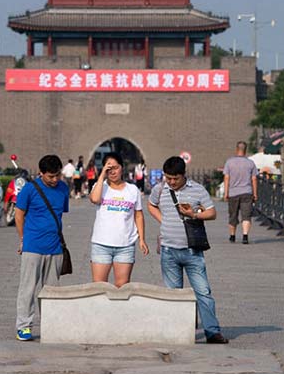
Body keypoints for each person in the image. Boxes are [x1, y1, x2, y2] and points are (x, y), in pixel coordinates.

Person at [148, 156, 228, 344]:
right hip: (169, 250)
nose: (171, 182)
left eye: (175, 178)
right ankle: (176, 331)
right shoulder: (160, 189)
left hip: (192, 250)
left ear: (183, 175)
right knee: (173, 293)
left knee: (203, 291)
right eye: (168, 178)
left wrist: (194, 214)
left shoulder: (197, 190)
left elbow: (212, 212)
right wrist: (164, 220)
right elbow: (151, 206)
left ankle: (212, 331)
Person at [14, 154, 69, 341]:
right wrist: (23, 238)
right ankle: (24, 326)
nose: (54, 180)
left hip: (55, 247)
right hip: (32, 245)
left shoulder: (63, 188)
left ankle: (50, 324)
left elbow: (60, 214)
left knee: (52, 290)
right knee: (28, 288)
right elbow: (19, 214)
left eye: (57, 176)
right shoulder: (30, 189)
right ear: (41, 173)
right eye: (50, 176)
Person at [89, 152, 149, 287]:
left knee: (122, 287)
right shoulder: (100, 187)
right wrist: (102, 175)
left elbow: (138, 215)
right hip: (101, 244)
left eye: (115, 168)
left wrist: (142, 239)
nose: (112, 172)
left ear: (122, 167)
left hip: (125, 245)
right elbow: (95, 199)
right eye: (108, 169)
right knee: (99, 286)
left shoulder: (132, 190)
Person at [223, 141, 258, 244]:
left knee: (233, 215)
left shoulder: (229, 162)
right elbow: (254, 179)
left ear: (236, 149)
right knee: (246, 215)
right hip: (247, 192)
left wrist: (226, 193)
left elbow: (226, 178)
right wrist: (255, 194)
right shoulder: (250, 163)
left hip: (233, 193)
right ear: (245, 150)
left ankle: (232, 236)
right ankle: (245, 235)